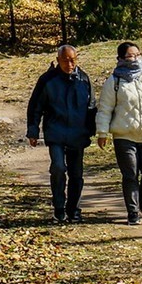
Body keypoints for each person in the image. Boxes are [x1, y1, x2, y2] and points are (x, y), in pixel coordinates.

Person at [96, 41, 142, 225]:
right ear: (120, 59)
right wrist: (102, 132)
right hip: (124, 136)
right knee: (130, 175)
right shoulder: (114, 81)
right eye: (130, 56)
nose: (135, 59)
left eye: (137, 55)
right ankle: (133, 212)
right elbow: (104, 108)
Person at [26, 44, 97, 224]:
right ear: (58, 60)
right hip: (55, 132)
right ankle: (59, 207)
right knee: (58, 168)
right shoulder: (47, 80)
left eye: (73, 60)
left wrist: (91, 129)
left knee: (76, 174)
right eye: (65, 60)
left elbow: (91, 106)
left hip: (77, 133)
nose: (69, 63)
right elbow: (35, 107)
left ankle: (73, 209)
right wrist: (33, 130)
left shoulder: (83, 79)